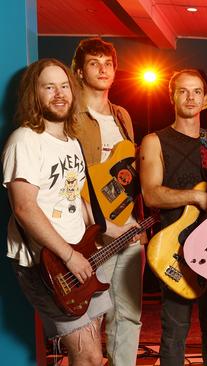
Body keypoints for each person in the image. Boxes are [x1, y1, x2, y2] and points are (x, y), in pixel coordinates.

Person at [2, 58, 135, 366]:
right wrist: (68, 256)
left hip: (81, 256)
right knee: (87, 357)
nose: (59, 94)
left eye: (64, 87)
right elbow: (24, 207)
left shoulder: (70, 141)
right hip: (49, 264)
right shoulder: (25, 141)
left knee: (93, 355)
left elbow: (75, 197)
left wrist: (108, 230)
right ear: (34, 95)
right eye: (49, 87)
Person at [139, 69, 207, 366]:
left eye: (197, 92)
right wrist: (196, 196)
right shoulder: (155, 141)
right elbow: (151, 195)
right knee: (174, 331)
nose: (190, 97)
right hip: (173, 250)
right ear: (172, 96)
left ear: (206, 99)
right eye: (183, 91)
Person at [71, 37, 145, 366]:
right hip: (94, 236)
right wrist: (98, 226)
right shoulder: (70, 117)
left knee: (128, 316)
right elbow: (69, 182)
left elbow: (132, 176)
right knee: (90, 319)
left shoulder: (122, 116)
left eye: (108, 63)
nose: (103, 69)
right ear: (78, 71)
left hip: (129, 233)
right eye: (94, 63)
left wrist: (140, 224)